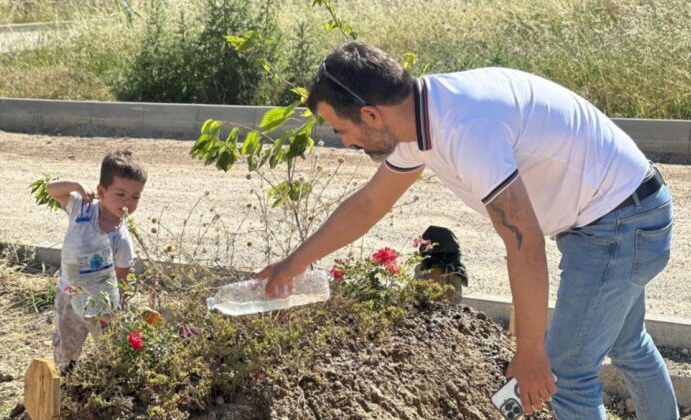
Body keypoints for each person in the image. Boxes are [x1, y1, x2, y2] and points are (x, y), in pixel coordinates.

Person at [257, 41, 678, 419]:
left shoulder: (466, 129)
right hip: (628, 209)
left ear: (371, 114)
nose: (346, 142)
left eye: (342, 130)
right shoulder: (419, 117)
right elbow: (370, 203)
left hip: (617, 226)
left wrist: (530, 353)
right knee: (629, 345)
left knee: (566, 375)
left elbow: (525, 243)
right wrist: (295, 263)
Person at [46, 150, 147, 372]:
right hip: (69, 295)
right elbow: (51, 189)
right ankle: (64, 384)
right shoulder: (81, 208)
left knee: (111, 348)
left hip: (101, 305)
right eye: (120, 194)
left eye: (135, 197)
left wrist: (107, 305)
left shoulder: (121, 238)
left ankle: (110, 383)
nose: (127, 203)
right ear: (101, 191)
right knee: (65, 347)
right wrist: (76, 186)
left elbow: (120, 276)